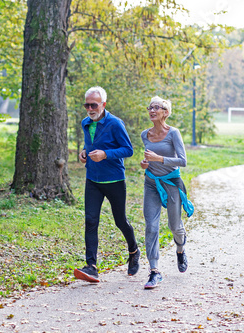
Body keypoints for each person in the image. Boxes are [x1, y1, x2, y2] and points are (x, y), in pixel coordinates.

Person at [73, 86, 140, 283]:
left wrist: (106, 154)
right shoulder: (86, 123)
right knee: (91, 221)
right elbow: (90, 144)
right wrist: (84, 152)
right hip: (93, 179)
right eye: (87, 105)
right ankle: (91, 267)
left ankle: (134, 251)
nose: (90, 109)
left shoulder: (115, 123)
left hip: (114, 180)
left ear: (103, 104)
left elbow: (128, 150)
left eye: (94, 105)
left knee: (120, 221)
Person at [140, 96, 194, 289]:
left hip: (171, 183)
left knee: (175, 226)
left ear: (165, 112)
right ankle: (154, 271)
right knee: (151, 226)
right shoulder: (144, 135)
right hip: (152, 183)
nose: (152, 110)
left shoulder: (174, 133)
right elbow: (147, 159)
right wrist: (145, 163)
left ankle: (180, 249)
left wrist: (159, 158)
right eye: (150, 107)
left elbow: (183, 161)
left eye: (157, 107)